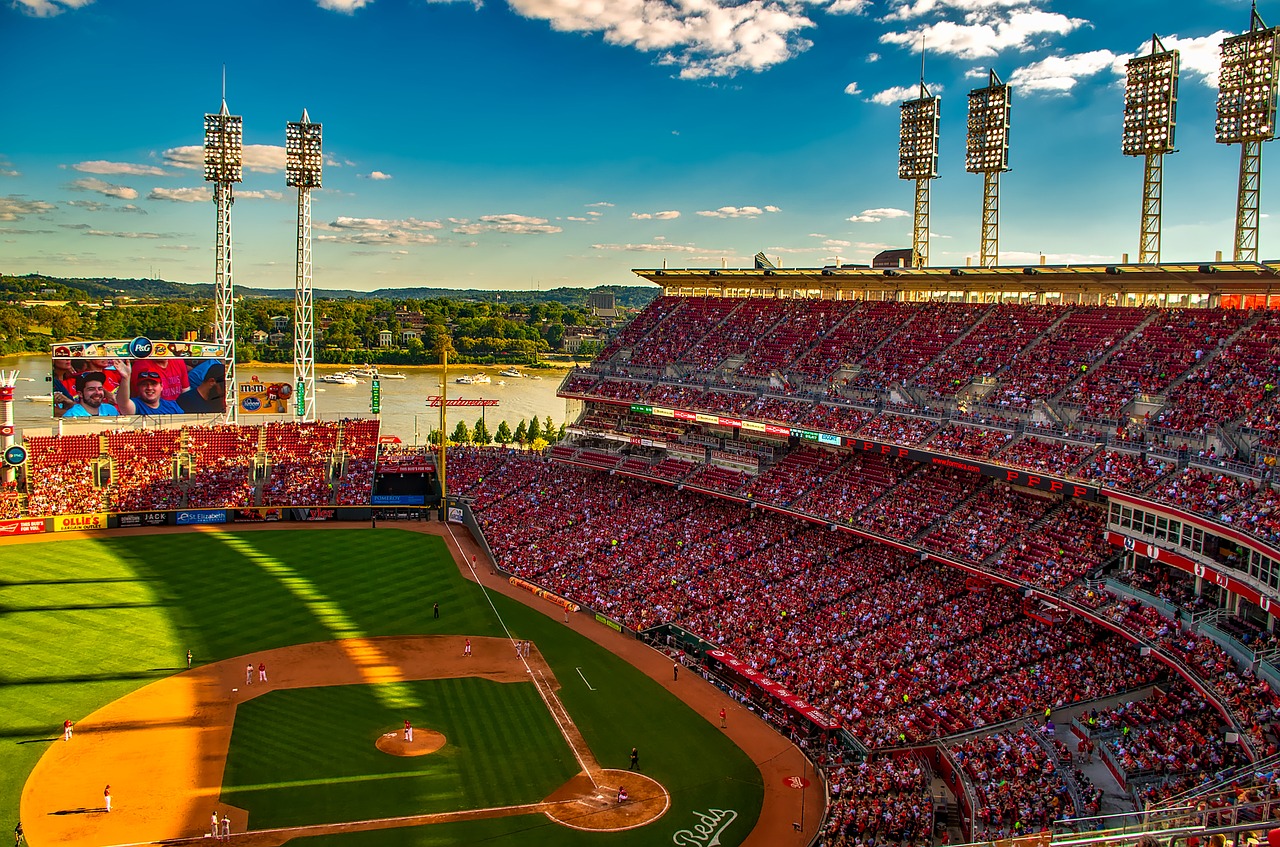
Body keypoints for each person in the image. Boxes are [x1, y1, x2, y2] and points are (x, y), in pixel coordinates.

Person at [115, 363, 184, 416]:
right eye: (144, 384)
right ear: (138, 387)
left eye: (153, 384)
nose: (149, 388)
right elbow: (123, 403)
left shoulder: (172, 406)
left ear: (161, 386)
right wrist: (125, 378)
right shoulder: (137, 405)